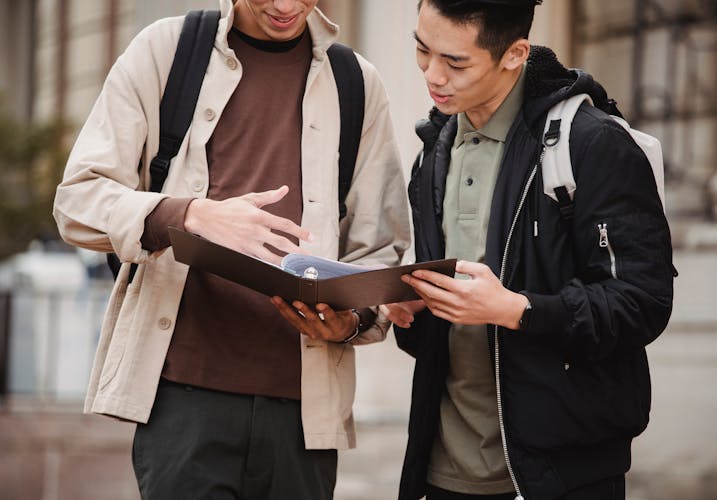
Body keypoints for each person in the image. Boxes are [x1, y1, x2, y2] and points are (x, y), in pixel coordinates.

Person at [53, 0, 410, 498]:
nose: (286, 6)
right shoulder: (166, 49)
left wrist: (352, 322)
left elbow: (380, 249)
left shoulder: (357, 82)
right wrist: (190, 215)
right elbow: (76, 201)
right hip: (183, 402)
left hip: (304, 416)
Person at [383, 1, 675, 499]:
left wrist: (519, 310)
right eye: (421, 49)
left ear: (515, 53)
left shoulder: (592, 144)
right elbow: (442, 339)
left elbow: (641, 303)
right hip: (443, 471)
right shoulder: (434, 148)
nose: (433, 75)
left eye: (456, 62)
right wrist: (414, 306)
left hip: (560, 474)